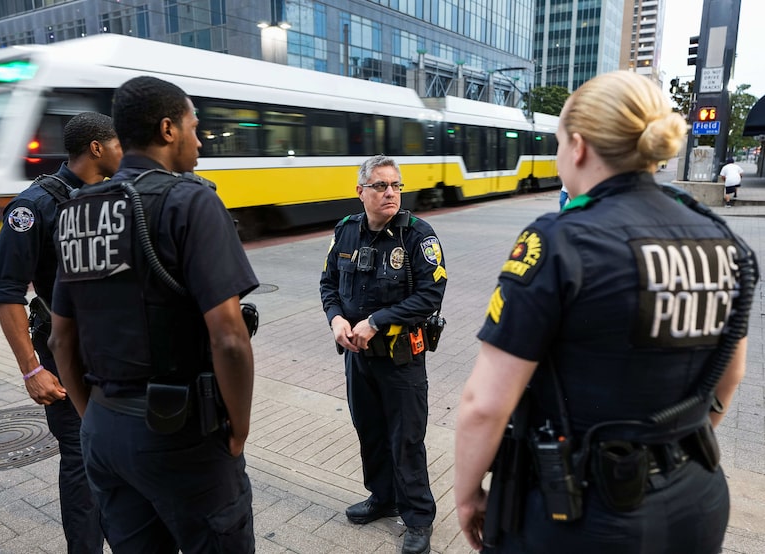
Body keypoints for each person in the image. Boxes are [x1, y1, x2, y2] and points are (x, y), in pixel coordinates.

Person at [454, 70, 757, 554]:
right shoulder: (724, 240)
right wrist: (668, 445)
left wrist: (467, 495)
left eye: (557, 145)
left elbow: (485, 404)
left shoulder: (558, 241)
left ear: (578, 146)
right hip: (697, 495)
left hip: (580, 512)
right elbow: (731, 374)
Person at [48, 76, 258, 553]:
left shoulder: (76, 211)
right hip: (180, 433)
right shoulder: (192, 201)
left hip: (103, 429)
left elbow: (62, 339)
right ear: (168, 130)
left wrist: (92, 418)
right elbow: (229, 338)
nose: (199, 140)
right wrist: (239, 429)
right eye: (194, 126)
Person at [0, 111, 122, 553]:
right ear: (98, 148)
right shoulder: (33, 207)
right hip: (65, 363)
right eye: (119, 144)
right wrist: (31, 370)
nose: (127, 152)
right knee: (82, 464)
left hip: (116, 357)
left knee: (120, 462)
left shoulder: (114, 196)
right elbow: (7, 292)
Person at [319, 154, 447, 554]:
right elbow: (327, 283)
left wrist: (376, 321)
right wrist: (336, 319)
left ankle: (418, 518)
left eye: (396, 185)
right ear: (360, 191)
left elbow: (430, 295)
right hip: (357, 358)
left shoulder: (417, 235)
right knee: (370, 432)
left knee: (406, 439)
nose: (390, 192)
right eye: (380, 185)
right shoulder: (345, 232)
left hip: (401, 360)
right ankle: (382, 497)